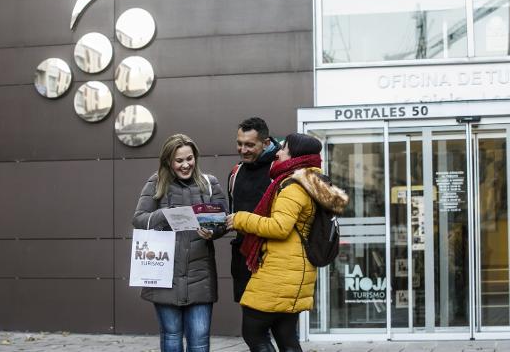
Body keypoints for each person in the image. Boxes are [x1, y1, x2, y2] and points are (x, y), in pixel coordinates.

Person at [226, 133, 348, 352]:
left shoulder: (294, 186)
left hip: (280, 272)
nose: (278, 151)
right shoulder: (314, 181)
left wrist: (240, 218)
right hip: (296, 271)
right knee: (286, 336)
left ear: (295, 155)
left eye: (283, 148)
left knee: (253, 332)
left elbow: (279, 227)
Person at [132, 133, 227, 352]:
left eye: (189, 158)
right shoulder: (156, 182)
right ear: (168, 161)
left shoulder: (210, 184)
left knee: (200, 341)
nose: (186, 165)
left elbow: (224, 220)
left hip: (199, 274)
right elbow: (139, 219)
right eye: (179, 160)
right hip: (164, 273)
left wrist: (213, 231)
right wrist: (164, 215)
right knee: (172, 338)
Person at [229, 117, 280, 304]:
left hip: (273, 259)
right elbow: (232, 217)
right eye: (239, 144)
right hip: (243, 259)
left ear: (266, 143)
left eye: (249, 145)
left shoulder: (279, 170)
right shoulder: (236, 172)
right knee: (251, 330)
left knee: (279, 328)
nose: (243, 150)